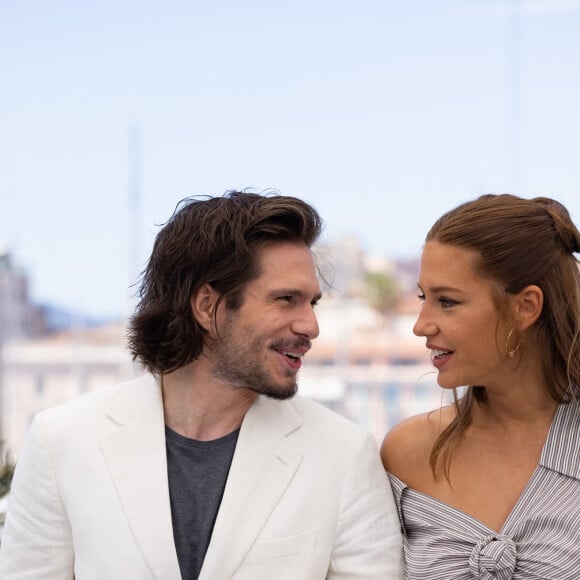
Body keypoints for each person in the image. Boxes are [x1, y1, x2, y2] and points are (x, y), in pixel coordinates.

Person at [0, 191, 403, 580]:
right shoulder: (62, 441)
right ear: (208, 306)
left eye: (311, 303)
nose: (310, 326)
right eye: (285, 299)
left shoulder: (344, 454)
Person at [381, 193, 580, 579]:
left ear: (525, 307)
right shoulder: (406, 453)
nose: (421, 325)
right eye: (424, 297)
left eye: (447, 301)